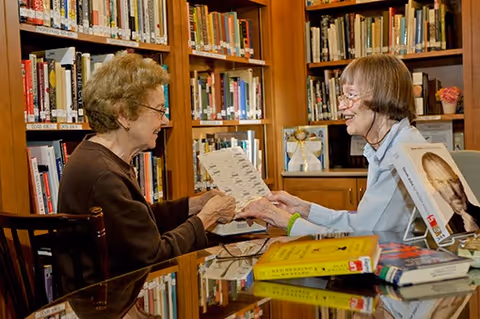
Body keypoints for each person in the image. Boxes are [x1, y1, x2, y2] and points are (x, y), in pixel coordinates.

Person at [56, 52, 236, 293]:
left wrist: (196, 205)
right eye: (159, 110)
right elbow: (153, 256)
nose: (164, 121)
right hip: (106, 302)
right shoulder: (104, 176)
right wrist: (207, 218)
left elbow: (136, 224)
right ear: (123, 115)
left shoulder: (98, 156)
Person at [237, 54, 426, 235]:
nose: (342, 106)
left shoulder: (400, 154)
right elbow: (360, 223)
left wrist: (279, 218)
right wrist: (302, 208)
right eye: (343, 97)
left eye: (350, 95)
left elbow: (361, 239)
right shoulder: (395, 143)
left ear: (383, 97)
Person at [421, 151, 480, 233]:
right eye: (440, 183)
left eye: (452, 180)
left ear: (460, 182)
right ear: (433, 186)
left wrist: (475, 233)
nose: (452, 192)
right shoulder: (447, 229)